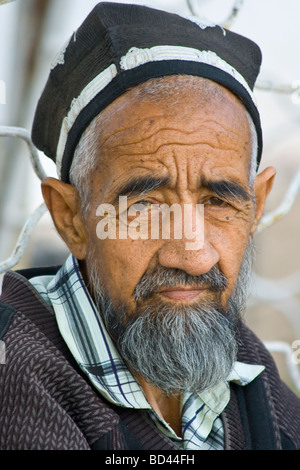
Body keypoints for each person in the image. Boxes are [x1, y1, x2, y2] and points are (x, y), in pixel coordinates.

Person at [0, 2, 299, 451]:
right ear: (71, 219)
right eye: (144, 205)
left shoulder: (241, 357)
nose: (194, 254)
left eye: (219, 202)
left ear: (256, 206)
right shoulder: (14, 370)